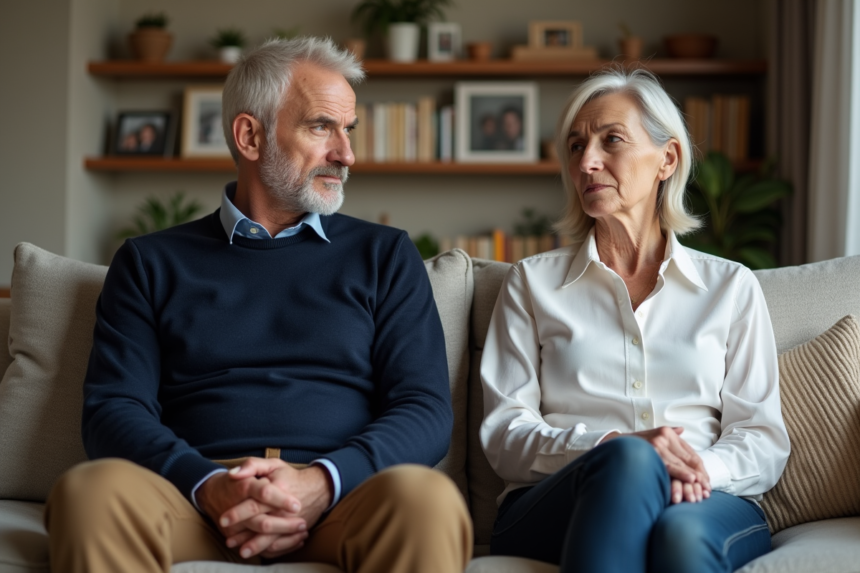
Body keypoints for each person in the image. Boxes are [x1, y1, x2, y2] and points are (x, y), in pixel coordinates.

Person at [44, 37, 471, 573]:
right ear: (250, 136)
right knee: (88, 494)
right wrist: (207, 484)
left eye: (349, 129)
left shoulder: (385, 254)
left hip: (344, 496)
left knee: (426, 500)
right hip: (192, 498)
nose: (346, 154)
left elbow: (425, 409)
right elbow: (114, 409)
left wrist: (323, 482)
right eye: (322, 127)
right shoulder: (149, 262)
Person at [480, 68, 789, 573]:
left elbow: (762, 438)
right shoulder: (530, 284)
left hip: (703, 495)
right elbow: (505, 435)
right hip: (559, 498)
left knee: (681, 537)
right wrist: (610, 447)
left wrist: (689, 467)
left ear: (668, 159)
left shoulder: (731, 287)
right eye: (576, 146)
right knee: (628, 461)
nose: (587, 161)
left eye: (612, 140)